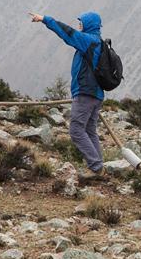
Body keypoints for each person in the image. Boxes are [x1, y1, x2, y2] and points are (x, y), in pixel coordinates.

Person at [29, 11, 104, 179]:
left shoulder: (88, 41)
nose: (79, 26)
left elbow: (68, 33)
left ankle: (96, 167)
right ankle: (98, 166)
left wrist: (45, 19)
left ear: (88, 25)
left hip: (85, 92)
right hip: (96, 94)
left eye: (81, 23)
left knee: (76, 130)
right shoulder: (99, 42)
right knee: (90, 130)